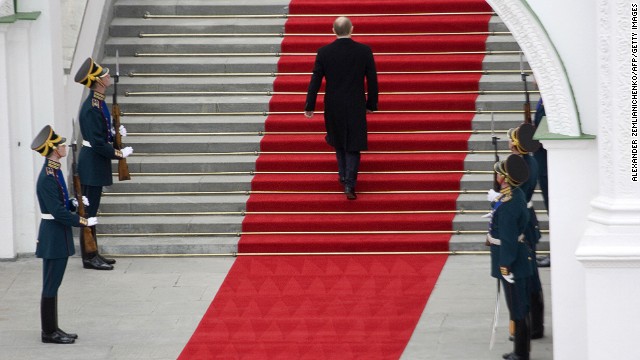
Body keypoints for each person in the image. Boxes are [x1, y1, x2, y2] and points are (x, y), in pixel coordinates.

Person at [31, 125, 99, 344]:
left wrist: (73, 202)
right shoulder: (47, 177)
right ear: (53, 149)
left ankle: (53, 328)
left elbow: (61, 203)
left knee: (54, 283)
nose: (64, 146)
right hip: (53, 236)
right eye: (60, 144)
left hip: (57, 234)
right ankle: (48, 331)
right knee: (51, 284)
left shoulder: (55, 170)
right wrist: (83, 221)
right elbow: (56, 212)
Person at [304, 16, 378, 200]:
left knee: (338, 140)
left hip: (333, 103)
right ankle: (349, 183)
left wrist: (309, 105)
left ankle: (344, 175)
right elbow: (373, 80)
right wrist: (371, 104)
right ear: (352, 29)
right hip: (355, 103)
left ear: (333, 30)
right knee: (353, 143)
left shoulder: (324, 52)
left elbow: (315, 81)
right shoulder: (364, 51)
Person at [74, 57, 133, 270]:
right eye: (104, 75)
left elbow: (101, 134)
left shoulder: (98, 102)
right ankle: (89, 257)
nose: (108, 76)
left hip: (96, 164)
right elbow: (97, 143)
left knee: (93, 211)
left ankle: (94, 252)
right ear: (97, 81)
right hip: (92, 164)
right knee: (87, 214)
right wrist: (118, 153)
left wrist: (114, 133)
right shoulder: (91, 107)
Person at [486, 154, 533, 360]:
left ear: (504, 178)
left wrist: (505, 264)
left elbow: (508, 239)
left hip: (512, 262)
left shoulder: (509, 205)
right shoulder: (514, 195)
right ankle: (521, 351)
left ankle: (521, 353)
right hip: (518, 258)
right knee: (518, 305)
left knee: (518, 307)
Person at [507, 124, 545, 340]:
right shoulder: (529, 162)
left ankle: (528, 326)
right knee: (531, 277)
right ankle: (535, 325)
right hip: (529, 221)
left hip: (522, 225)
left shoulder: (520, 166)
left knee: (525, 277)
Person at [532, 98, 550, 268]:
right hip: (542, 163)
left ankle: (557, 252)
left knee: (553, 209)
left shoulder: (548, 98)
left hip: (547, 163)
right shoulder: (542, 98)